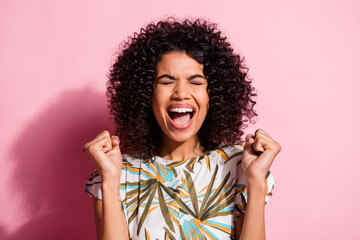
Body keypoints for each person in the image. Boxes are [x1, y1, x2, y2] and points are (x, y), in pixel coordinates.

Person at [83, 17, 281, 240]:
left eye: (196, 82)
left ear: (212, 95)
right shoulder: (117, 173)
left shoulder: (240, 167)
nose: (181, 93)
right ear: (147, 94)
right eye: (167, 82)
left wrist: (255, 179)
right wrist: (110, 180)